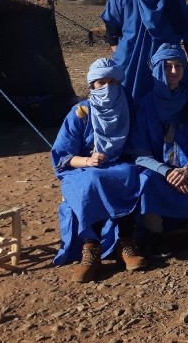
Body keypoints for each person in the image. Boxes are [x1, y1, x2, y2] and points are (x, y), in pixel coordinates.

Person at [51, 59, 146, 282]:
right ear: (92, 85)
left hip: (120, 164)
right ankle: (91, 247)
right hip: (84, 169)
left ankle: (127, 241)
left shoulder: (129, 107)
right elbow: (62, 156)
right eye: (101, 83)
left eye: (112, 82)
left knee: (131, 175)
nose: (107, 88)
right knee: (92, 180)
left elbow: (138, 144)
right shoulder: (80, 112)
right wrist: (87, 160)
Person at [130, 44, 188, 257]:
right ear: (156, 70)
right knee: (146, 179)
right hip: (159, 166)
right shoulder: (145, 106)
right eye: (167, 66)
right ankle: (156, 233)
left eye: (178, 66)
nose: (173, 71)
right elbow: (139, 151)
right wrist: (166, 171)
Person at [102, 0, 187, 101]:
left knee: (168, 99)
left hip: (166, 56)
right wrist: (119, 50)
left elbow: (181, 24)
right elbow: (112, 25)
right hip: (131, 56)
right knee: (131, 99)